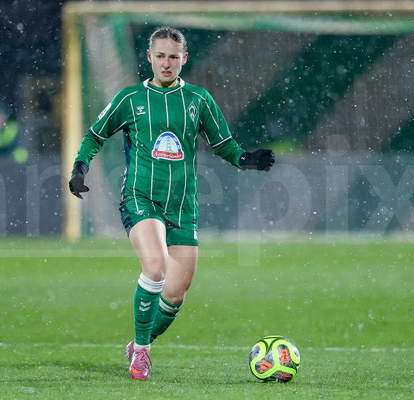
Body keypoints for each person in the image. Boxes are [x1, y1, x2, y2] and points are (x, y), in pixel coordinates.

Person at [68, 27, 275, 380]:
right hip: (140, 196)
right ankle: (142, 352)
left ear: (184, 59)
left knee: (176, 293)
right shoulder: (130, 98)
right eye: (160, 56)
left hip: (182, 205)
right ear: (149, 57)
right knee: (155, 268)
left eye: (173, 57)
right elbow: (94, 135)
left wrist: (247, 159)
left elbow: (224, 144)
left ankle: (140, 342)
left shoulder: (198, 99)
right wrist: (80, 167)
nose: (166, 63)